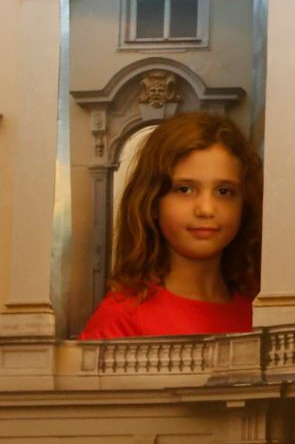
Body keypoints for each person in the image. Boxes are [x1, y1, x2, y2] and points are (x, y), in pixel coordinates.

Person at [81, 111, 262, 339]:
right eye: (184, 189)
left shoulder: (259, 311)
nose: (206, 209)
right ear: (153, 203)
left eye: (224, 191)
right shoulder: (120, 321)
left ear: (244, 205)